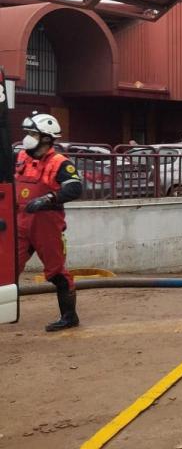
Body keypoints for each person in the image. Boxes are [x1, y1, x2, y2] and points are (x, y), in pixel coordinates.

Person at [15, 112, 83, 331]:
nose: (28, 137)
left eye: (32, 133)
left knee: (56, 272)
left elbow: (74, 188)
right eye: (28, 133)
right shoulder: (22, 157)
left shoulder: (59, 162)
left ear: (46, 137)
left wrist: (47, 199)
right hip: (20, 224)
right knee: (6, 269)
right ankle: (6, 310)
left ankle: (69, 317)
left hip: (47, 225)